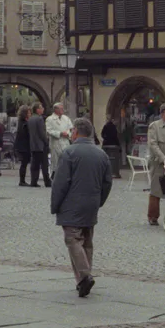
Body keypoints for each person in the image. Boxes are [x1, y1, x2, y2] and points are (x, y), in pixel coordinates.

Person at [51, 117, 112, 297]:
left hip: (71, 204)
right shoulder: (101, 154)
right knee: (86, 240)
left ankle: (85, 276)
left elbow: (60, 183)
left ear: (76, 132)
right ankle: (82, 280)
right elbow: (107, 182)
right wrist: (99, 201)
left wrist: (55, 205)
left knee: (73, 239)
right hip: (91, 203)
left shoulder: (69, 153)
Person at [27, 103, 51, 188]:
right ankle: (47, 181)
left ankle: (34, 181)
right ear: (37, 110)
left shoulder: (30, 119)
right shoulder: (40, 119)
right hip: (41, 145)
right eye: (41, 108)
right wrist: (46, 142)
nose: (43, 109)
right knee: (44, 164)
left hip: (33, 144)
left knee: (35, 164)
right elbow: (42, 133)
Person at [14, 104, 33, 185]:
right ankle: (22, 181)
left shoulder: (22, 122)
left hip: (22, 145)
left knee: (24, 163)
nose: (30, 114)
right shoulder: (24, 123)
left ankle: (22, 180)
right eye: (28, 113)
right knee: (24, 163)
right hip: (24, 146)